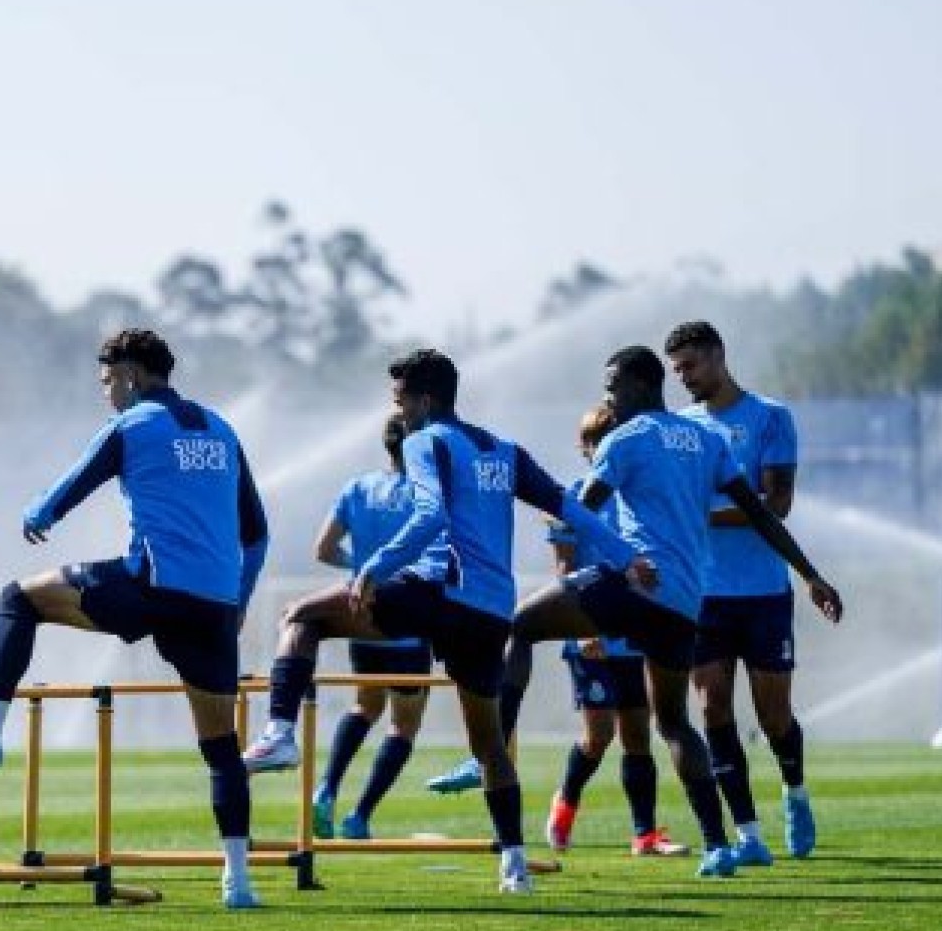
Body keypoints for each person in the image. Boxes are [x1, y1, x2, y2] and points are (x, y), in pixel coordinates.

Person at [241, 348, 649, 895]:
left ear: (424, 400)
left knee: (303, 616)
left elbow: (429, 513)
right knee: (489, 749)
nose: (397, 412)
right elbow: (569, 509)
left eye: (400, 400)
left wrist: (374, 566)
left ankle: (280, 735)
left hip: (438, 592)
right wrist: (626, 558)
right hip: (489, 614)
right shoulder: (504, 450)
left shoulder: (423, 440)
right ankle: (515, 865)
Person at [0, 329, 271, 910]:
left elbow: (76, 480)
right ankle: (238, 883)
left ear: (131, 373)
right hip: (214, 607)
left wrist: (38, 513)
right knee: (222, 748)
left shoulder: (134, 425)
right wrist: (238, 605)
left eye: (108, 381)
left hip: (149, 587)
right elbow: (256, 536)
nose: (106, 393)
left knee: (19, 598)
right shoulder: (223, 430)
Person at [495, 346, 842, 879]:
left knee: (522, 622)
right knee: (677, 723)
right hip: (685, 602)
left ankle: (489, 753)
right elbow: (761, 516)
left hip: (635, 586)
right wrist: (811, 574)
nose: (608, 398)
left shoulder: (625, 440)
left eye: (613, 386)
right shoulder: (706, 440)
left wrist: (554, 525)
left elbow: (579, 508)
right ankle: (718, 847)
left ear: (639, 384)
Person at [668, 320, 816, 861]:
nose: (684, 378)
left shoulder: (770, 418)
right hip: (702, 595)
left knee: (774, 716)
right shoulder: (679, 430)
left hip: (762, 592)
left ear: (719, 356)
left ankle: (795, 792)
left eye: (691, 366)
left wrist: (699, 513)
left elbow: (775, 505)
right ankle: (748, 834)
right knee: (712, 710)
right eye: (677, 370)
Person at [309, 413, 477, 842]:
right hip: (409, 623)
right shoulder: (431, 495)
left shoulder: (359, 487)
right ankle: (359, 815)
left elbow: (323, 549)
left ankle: (326, 791)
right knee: (403, 725)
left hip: (363, 616)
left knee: (364, 706)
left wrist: (362, 568)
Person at [541, 403, 687, 858]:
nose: (600, 450)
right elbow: (565, 571)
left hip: (632, 633)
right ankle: (565, 804)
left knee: (639, 735)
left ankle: (645, 835)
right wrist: (586, 630)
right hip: (590, 635)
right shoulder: (577, 500)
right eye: (594, 442)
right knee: (599, 736)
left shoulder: (638, 500)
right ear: (584, 448)